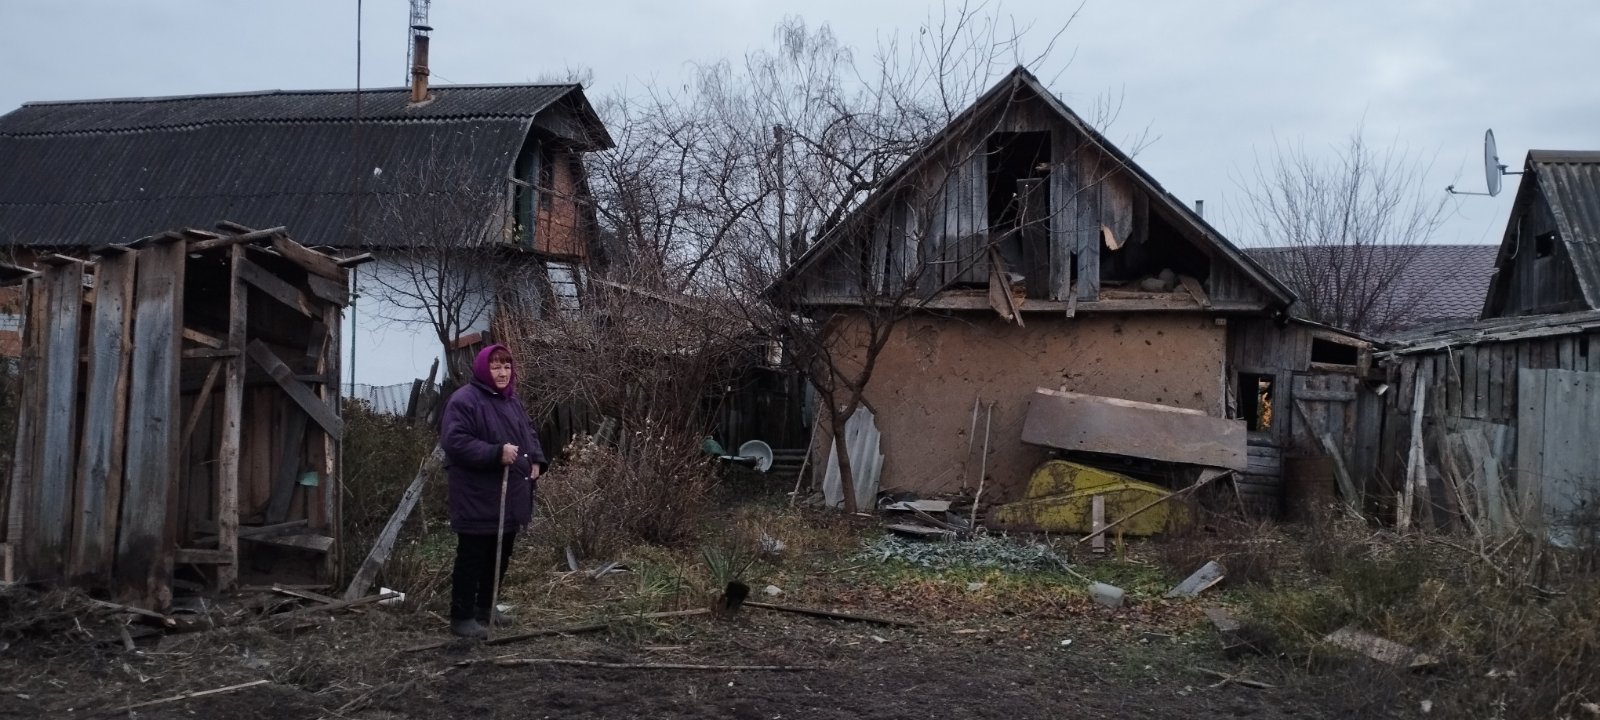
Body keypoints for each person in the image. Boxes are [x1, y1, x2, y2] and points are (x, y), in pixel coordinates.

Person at [439, 343, 545, 639]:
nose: (502, 372)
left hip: (509, 495)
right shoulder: (465, 400)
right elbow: (454, 441)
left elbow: (529, 432)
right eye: (496, 367)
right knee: (473, 555)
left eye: (506, 367)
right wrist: (495, 453)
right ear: (484, 369)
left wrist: (536, 458)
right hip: (477, 495)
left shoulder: (512, 400)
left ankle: (486, 607)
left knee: (501, 553)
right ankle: (462, 617)